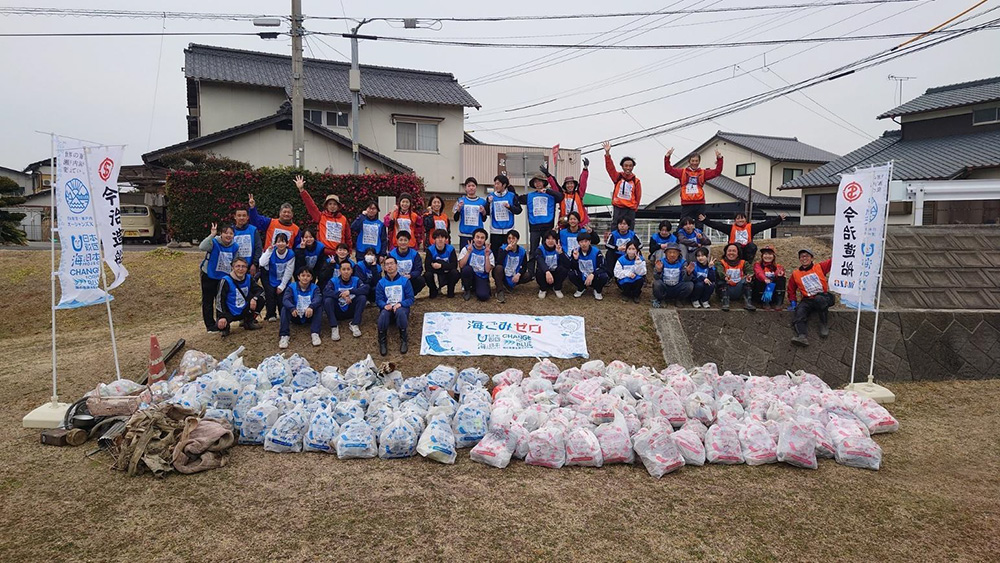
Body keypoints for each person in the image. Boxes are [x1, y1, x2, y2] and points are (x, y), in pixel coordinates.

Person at [518, 171, 564, 280]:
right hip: (534, 227)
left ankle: (544, 270)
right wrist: (509, 186)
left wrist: (547, 191)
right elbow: (517, 199)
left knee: (546, 250)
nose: (538, 184)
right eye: (536, 182)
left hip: (547, 227)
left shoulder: (550, 194)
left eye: (540, 181)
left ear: (544, 183)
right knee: (533, 250)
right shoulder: (530, 196)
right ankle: (531, 272)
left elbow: (561, 196)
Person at [663, 147, 723, 225]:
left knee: (700, 224)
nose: (694, 163)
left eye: (696, 161)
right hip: (686, 203)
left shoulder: (703, 172)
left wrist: (719, 159)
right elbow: (668, 170)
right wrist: (667, 157)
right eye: (693, 161)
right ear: (689, 161)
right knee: (683, 224)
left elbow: (717, 172)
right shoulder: (682, 172)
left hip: (700, 202)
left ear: (699, 161)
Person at [699, 211, 787, 263]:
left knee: (752, 246)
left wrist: (778, 219)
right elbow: (717, 225)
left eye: (742, 218)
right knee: (737, 245)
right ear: (735, 220)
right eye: (738, 218)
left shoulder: (751, 228)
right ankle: (735, 261)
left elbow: (765, 225)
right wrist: (705, 220)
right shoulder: (730, 228)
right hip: (735, 251)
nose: (740, 220)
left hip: (747, 251)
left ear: (745, 219)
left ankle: (747, 263)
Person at [787, 249, 833, 347]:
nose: (804, 258)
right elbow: (791, 289)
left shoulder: (820, 267)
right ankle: (802, 336)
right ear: (799, 259)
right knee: (800, 311)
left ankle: (824, 324)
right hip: (807, 299)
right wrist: (793, 302)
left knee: (819, 300)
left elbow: (832, 262)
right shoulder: (796, 274)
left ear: (811, 258)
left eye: (807, 256)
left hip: (823, 296)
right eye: (802, 256)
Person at [296, 174, 351, 255]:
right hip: (323, 253)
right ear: (326, 206)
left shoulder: (343, 219)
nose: (332, 206)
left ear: (338, 206)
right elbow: (311, 206)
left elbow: (348, 237)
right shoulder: (321, 216)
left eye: (334, 204)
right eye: (330, 204)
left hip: (339, 253)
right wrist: (302, 190)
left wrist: (349, 252)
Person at [199, 223, 239, 333]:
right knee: (208, 300)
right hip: (209, 274)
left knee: (221, 300)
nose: (228, 235)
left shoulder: (235, 246)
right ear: (221, 234)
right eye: (226, 233)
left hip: (224, 277)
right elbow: (202, 247)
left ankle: (221, 323)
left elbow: (235, 261)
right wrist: (212, 235)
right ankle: (210, 325)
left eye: (231, 233)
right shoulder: (214, 242)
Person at [376, 255, 415, 356]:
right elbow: (378, 300)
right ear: (384, 268)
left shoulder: (405, 281)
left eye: (391, 264)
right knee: (383, 314)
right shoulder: (381, 283)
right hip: (388, 309)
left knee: (400, 311)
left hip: (401, 309)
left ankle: (404, 339)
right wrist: (384, 305)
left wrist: (401, 304)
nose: (389, 266)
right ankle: (382, 340)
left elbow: (411, 298)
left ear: (396, 265)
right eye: (387, 264)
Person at [215, 257, 264, 336]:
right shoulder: (225, 280)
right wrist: (222, 316)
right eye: (238, 266)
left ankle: (249, 321)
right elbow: (219, 300)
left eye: (243, 266)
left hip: (244, 309)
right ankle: (225, 327)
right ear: (232, 267)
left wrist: (254, 299)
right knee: (220, 325)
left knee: (261, 298)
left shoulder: (249, 278)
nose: (240, 269)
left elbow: (260, 290)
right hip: (230, 311)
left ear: (246, 268)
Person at [279, 267, 323, 348]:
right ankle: (284, 335)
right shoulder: (291, 287)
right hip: (295, 315)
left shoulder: (315, 287)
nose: (305, 278)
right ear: (298, 277)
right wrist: (292, 308)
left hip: (309, 315)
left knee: (319, 307)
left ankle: (315, 333)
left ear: (311, 278)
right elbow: (286, 299)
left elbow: (318, 298)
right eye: (303, 275)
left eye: (308, 276)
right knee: (285, 309)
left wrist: (311, 307)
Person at [323, 260, 368, 341]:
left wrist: (350, 291)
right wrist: (340, 294)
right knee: (328, 300)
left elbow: (365, 289)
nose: (346, 272)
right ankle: (334, 326)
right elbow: (326, 291)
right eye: (343, 269)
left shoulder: (356, 280)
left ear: (351, 271)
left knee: (362, 298)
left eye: (348, 269)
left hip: (351, 309)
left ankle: (355, 324)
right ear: (340, 271)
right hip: (337, 311)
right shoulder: (333, 280)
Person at [603, 141, 642, 229]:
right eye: (626, 166)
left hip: (630, 209)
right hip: (618, 208)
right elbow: (610, 168)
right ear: (622, 166)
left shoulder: (636, 181)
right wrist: (607, 154)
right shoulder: (617, 177)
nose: (628, 168)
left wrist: (635, 208)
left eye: (630, 166)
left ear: (633, 167)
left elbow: (638, 196)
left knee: (630, 228)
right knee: (615, 227)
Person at [542, 157, 590, 227]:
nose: (570, 185)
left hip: (579, 224)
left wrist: (585, 169)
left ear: (574, 185)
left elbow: (583, 182)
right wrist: (548, 175)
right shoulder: (561, 195)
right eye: (568, 184)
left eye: (571, 183)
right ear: (565, 186)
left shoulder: (579, 194)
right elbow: (554, 185)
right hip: (565, 224)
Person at [259, 232, 295, 322]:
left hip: (283, 278)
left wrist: (282, 286)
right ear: (275, 243)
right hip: (271, 277)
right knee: (270, 295)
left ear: (287, 243)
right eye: (278, 242)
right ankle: (271, 314)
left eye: (283, 241)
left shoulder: (291, 254)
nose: (281, 244)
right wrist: (268, 251)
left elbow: (289, 271)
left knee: (282, 297)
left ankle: (283, 314)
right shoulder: (271, 252)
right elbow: (262, 263)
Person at [486, 174, 521, 255]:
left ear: (504, 185)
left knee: (508, 253)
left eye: (498, 184)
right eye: (495, 183)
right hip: (495, 230)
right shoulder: (490, 196)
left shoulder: (511, 195)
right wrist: (488, 203)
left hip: (508, 230)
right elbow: (487, 212)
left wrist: (509, 207)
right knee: (495, 254)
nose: (496, 186)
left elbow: (519, 210)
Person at [652, 243, 695, 308]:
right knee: (657, 284)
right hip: (665, 287)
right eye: (670, 252)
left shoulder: (683, 262)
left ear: (678, 254)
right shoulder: (661, 262)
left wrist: (688, 273)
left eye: (674, 252)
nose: (672, 255)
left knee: (689, 285)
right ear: (666, 254)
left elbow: (686, 280)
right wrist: (658, 271)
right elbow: (656, 278)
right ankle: (662, 299)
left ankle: (679, 300)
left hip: (677, 286)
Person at [716, 243, 756, 312]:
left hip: (739, 287)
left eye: (734, 251)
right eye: (729, 251)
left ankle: (748, 303)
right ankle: (725, 303)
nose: (731, 253)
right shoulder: (720, 263)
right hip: (726, 287)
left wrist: (749, 276)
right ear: (726, 252)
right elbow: (720, 271)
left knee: (747, 282)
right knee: (720, 281)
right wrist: (725, 277)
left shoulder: (744, 263)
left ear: (738, 253)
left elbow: (750, 271)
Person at [458, 228, 495, 302]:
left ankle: (478, 287)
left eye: (482, 238)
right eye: (477, 237)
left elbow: (487, 270)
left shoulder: (489, 251)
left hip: (481, 276)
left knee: (483, 296)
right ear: (473, 238)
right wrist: (468, 252)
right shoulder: (466, 248)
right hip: (470, 274)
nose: (479, 240)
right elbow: (461, 265)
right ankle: (467, 289)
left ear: (485, 240)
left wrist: (487, 256)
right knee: (466, 269)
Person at [568, 231, 607, 300]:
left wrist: (593, 274)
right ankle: (581, 288)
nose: (584, 244)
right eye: (581, 242)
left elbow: (603, 266)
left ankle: (597, 290)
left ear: (589, 242)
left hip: (594, 275)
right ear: (578, 243)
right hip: (582, 275)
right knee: (571, 274)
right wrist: (575, 259)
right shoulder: (575, 251)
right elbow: (571, 267)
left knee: (604, 276)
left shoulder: (597, 252)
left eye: (586, 241)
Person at [492, 229, 528, 304]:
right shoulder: (502, 248)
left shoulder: (522, 250)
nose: (511, 240)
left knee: (528, 275)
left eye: (513, 238)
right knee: (498, 268)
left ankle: (509, 286)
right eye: (509, 238)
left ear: (517, 239)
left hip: (515, 273)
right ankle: (500, 291)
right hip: (504, 273)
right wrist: (506, 250)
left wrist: (519, 274)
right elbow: (498, 262)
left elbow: (524, 266)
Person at [424, 229, 460, 299]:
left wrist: (441, 266)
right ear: (434, 239)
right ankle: (434, 290)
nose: (440, 240)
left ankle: (450, 290)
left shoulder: (451, 249)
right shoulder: (430, 250)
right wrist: (439, 268)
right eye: (438, 238)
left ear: (446, 239)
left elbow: (454, 265)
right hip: (436, 273)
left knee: (455, 273)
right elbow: (427, 267)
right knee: (427, 274)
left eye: (442, 237)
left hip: (447, 273)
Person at [454, 177, 488, 248]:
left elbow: (484, 219)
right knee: (464, 254)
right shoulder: (460, 200)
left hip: (478, 235)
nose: (471, 188)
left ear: (476, 187)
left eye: (473, 186)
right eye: (469, 186)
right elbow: (455, 218)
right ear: (465, 188)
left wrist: (484, 212)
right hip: (464, 234)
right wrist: (459, 209)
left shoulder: (482, 201)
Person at [388, 231, 425, 296]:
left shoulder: (414, 254)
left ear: (409, 241)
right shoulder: (391, 254)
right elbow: (388, 270)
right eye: (401, 240)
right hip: (395, 279)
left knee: (420, 280)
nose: (403, 242)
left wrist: (410, 275)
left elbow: (418, 269)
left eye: (405, 240)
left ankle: (410, 295)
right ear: (397, 241)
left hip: (409, 279)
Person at [752, 245, 787, 310]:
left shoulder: (778, 266)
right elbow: (759, 273)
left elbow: (779, 271)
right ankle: (765, 302)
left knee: (781, 278)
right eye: (765, 254)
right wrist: (765, 279)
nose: (767, 256)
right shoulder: (757, 265)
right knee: (758, 279)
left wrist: (779, 274)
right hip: (761, 293)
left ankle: (779, 302)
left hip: (773, 293)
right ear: (762, 256)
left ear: (773, 256)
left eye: (770, 254)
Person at [232, 208, 262, 279]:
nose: (241, 218)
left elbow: (258, 247)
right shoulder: (231, 231)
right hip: (234, 267)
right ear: (235, 217)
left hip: (250, 267)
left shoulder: (253, 230)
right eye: (239, 215)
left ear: (247, 217)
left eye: (244, 215)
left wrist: (255, 264)